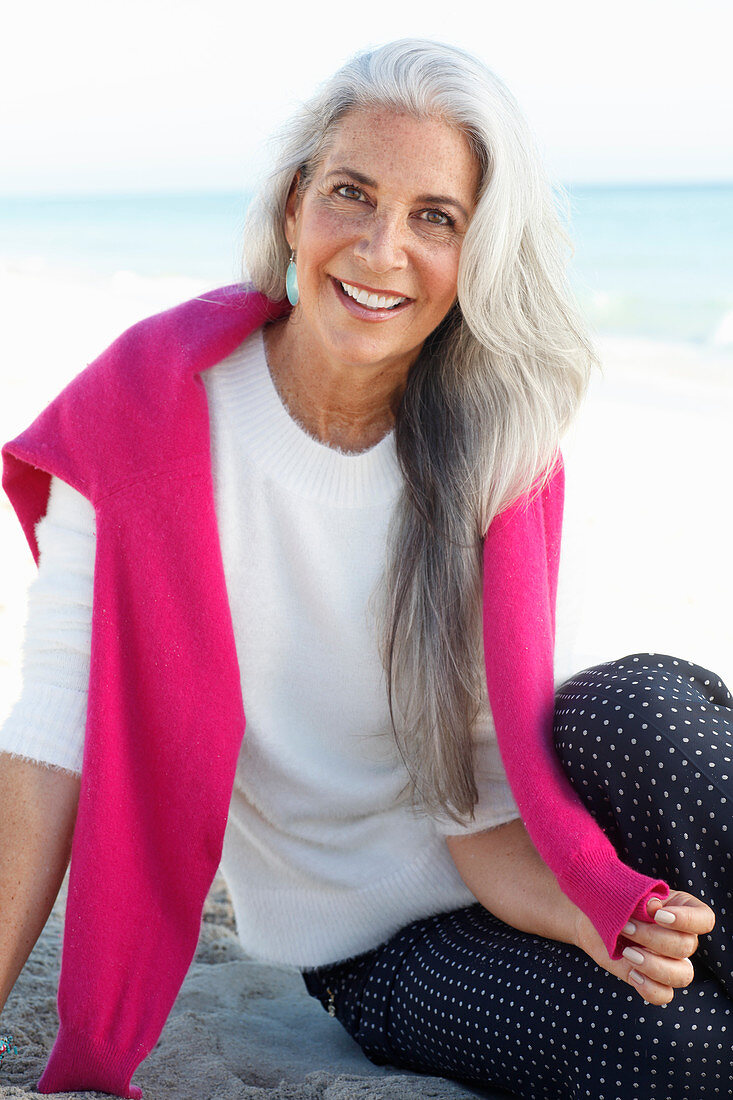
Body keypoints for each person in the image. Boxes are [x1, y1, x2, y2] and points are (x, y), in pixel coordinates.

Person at [0, 38, 730, 1100]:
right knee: (682, 1048)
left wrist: (598, 898)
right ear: (297, 204)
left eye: (434, 216)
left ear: (475, 251)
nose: (383, 249)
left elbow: (485, 795)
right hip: (383, 942)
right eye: (352, 193)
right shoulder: (140, 416)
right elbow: (50, 733)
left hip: (535, 841)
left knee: (637, 713)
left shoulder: (494, 441)